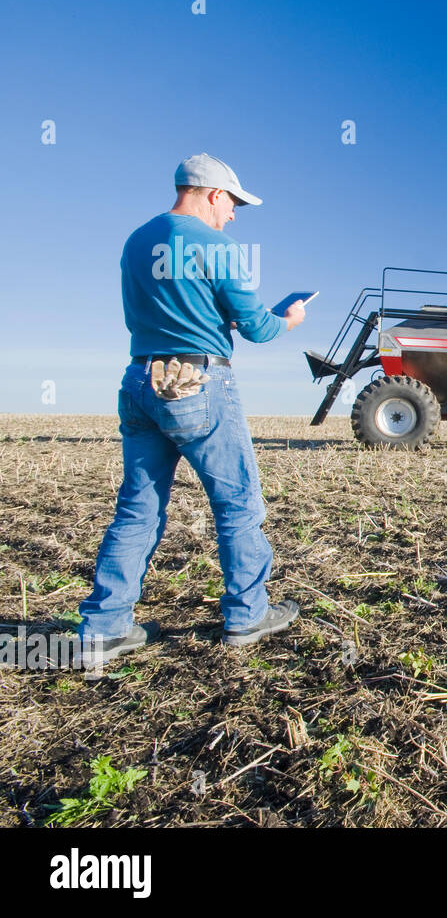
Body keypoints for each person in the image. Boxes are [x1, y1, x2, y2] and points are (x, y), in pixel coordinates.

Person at [78, 153, 307, 666]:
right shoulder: (217, 246)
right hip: (198, 381)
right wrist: (289, 319)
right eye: (234, 203)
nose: (235, 215)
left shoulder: (138, 240)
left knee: (137, 508)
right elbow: (257, 328)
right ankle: (248, 614)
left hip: (141, 378)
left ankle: (104, 628)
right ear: (212, 194)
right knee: (238, 503)